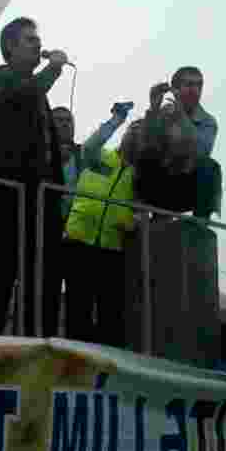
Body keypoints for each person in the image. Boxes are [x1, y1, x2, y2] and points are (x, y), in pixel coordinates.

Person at [0, 17, 68, 337]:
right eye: (30, 39)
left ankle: (37, 342)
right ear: (10, 47)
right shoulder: (3, 77)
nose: (38, 44)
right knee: (1, 266)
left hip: (42, 195)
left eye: (38, 39)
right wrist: (53, 68)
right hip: (11, 192)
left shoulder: (37, 91)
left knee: (43, 274)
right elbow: (24, 94)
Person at [60, 118, 144, 347]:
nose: (136, 134)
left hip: (111, 248)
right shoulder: (101, 156)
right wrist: (115, 120)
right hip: (78, 240)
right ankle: (76, 359)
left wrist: (133, 221)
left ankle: (106, 363)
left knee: (110, 314)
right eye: (133, 129)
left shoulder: (139, 175)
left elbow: (141, 209)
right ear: (125, 133)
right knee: (78, 309)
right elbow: (89, 146)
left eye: (142, 132)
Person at [132, 72, 222, 219]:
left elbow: (200, 152)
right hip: (159, 187)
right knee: (146, 156)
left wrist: (181, 117)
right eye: (189, 85)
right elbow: (143, 145)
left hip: (186, 188)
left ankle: (200, 223)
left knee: (210, 166)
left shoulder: (207, 121)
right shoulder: (163, 113)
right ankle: (147, 216)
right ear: (175, 89)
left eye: (199, 85)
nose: (195, 90)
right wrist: (153, 108)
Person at [54, 103, 133, 219]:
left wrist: (117, 118)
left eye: (68, 120)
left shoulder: (80, 155)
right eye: (59, 120)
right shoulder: (39, 152)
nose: (65, 124)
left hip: (72, 221)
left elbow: (95, 142)